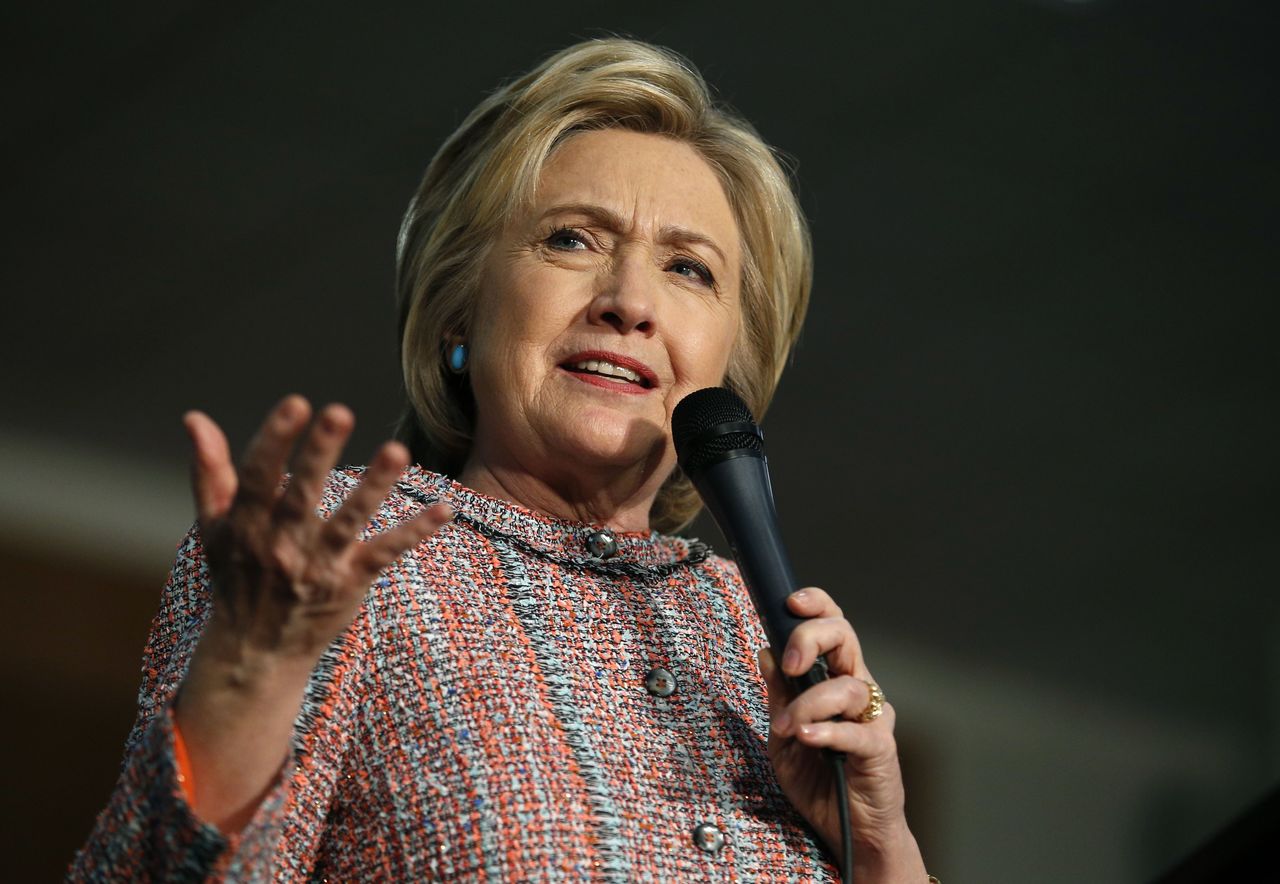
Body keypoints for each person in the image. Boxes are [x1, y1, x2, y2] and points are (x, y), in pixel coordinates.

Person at [71, 39, 932, 882]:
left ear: (729, 365)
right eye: (571, 240)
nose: (630, 302)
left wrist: (883, 846)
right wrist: (244, 686)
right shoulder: (338, 551)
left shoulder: (770, 644)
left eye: (688, 268)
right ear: (460, 313)